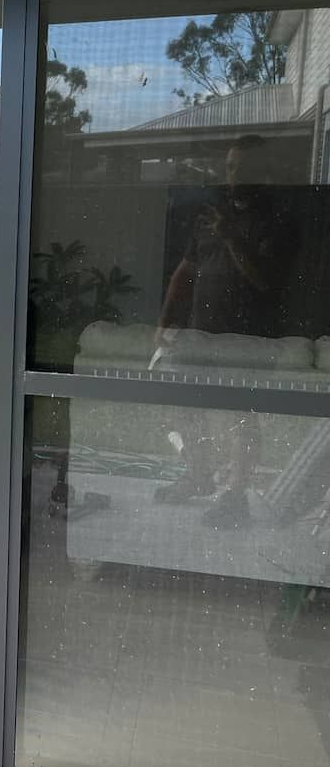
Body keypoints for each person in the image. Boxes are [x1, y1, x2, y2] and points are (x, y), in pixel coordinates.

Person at [154, 135, 292, 528]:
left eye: (244, 168)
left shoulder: (277, 219)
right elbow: (186, 269)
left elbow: (267, 280)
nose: (234, 176)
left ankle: (235, 496)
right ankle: (198, 475)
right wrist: (165, 320)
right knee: (185, 407)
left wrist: (231, 234)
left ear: (263, 172)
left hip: (249, 339)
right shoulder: (211, 215)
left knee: (241, 418)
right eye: (231, 168)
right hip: (201, 333)